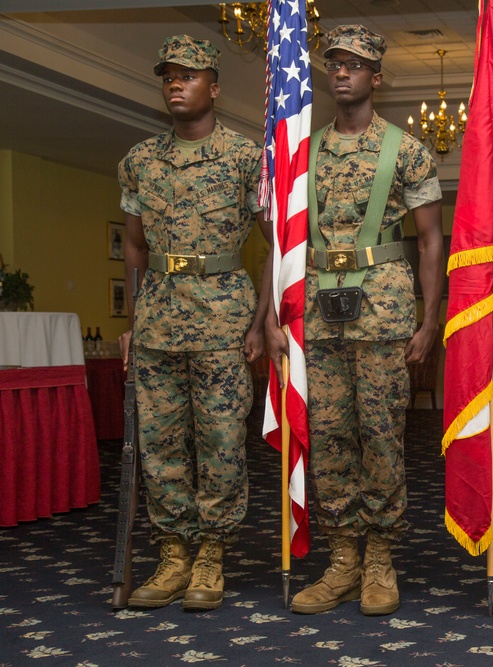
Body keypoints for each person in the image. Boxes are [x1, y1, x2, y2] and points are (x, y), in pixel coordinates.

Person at [264, 24, 444, 617]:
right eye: (335, 63)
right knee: (332, 437)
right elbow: (281, 243)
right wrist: (274, 316)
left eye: (355, 64)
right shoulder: (300, 151)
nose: (342, 72)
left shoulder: (409, 150)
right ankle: (343, 557)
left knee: (383, 436)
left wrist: (429, 318)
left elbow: (430, 241)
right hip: (316, 312)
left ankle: (380, 557)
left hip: (384, 312)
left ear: (376, 77)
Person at [118, 34, 271, 611]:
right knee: (159, 447)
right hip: (157, 320)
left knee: (221, 442)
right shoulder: (139, 161)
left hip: (223, 319)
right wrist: (134, 319)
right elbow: (134, 248)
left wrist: (262, 322)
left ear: (215, 87)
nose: (176, 84)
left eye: (188, 75)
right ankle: (174, 553)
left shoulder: (245, 156)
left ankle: (212, 552)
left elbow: (275, 245)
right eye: (168, 76)